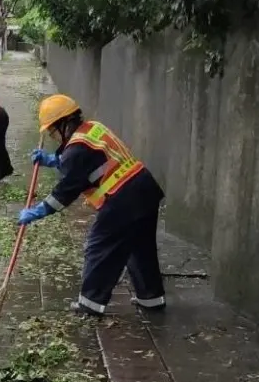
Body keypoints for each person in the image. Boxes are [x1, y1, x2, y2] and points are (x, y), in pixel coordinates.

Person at [18, 94, 166, 316]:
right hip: (144, 188)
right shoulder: (92, 129)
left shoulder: (75, 150)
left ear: (64, 124)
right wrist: (54, 160)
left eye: (52, 130)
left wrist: (37, 211)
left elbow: (63, 194)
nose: (52, 136)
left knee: (100, 248)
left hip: (122, 199)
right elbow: (90, 160)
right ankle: (151, 299)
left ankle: (89, 305)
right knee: (140, 246)